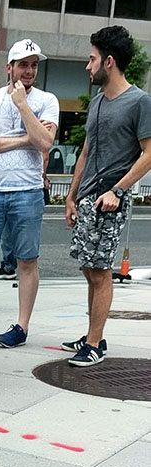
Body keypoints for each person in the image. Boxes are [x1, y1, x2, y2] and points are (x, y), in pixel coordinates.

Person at [64, 26, 151, 367]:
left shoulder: (140, 102)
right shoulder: (98, 102)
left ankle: (95, 344)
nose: (88, 66)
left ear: (109, 62)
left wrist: (118, 190)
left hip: (111, 199)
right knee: (89, 269)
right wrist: (71, 196)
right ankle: (91, 335)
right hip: (87, 199)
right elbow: (86, 152)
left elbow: (148, 154)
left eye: (92, 59)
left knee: (101, 272)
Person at [0, 39, 58, 348]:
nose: (29, 71)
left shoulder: (47, 100)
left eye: (34, 65)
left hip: (28, 190)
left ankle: (22, 326)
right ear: (9, 67)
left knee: (27, 260)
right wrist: (23, 140)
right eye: (23, 65)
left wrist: (22, 105)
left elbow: (45, 142)